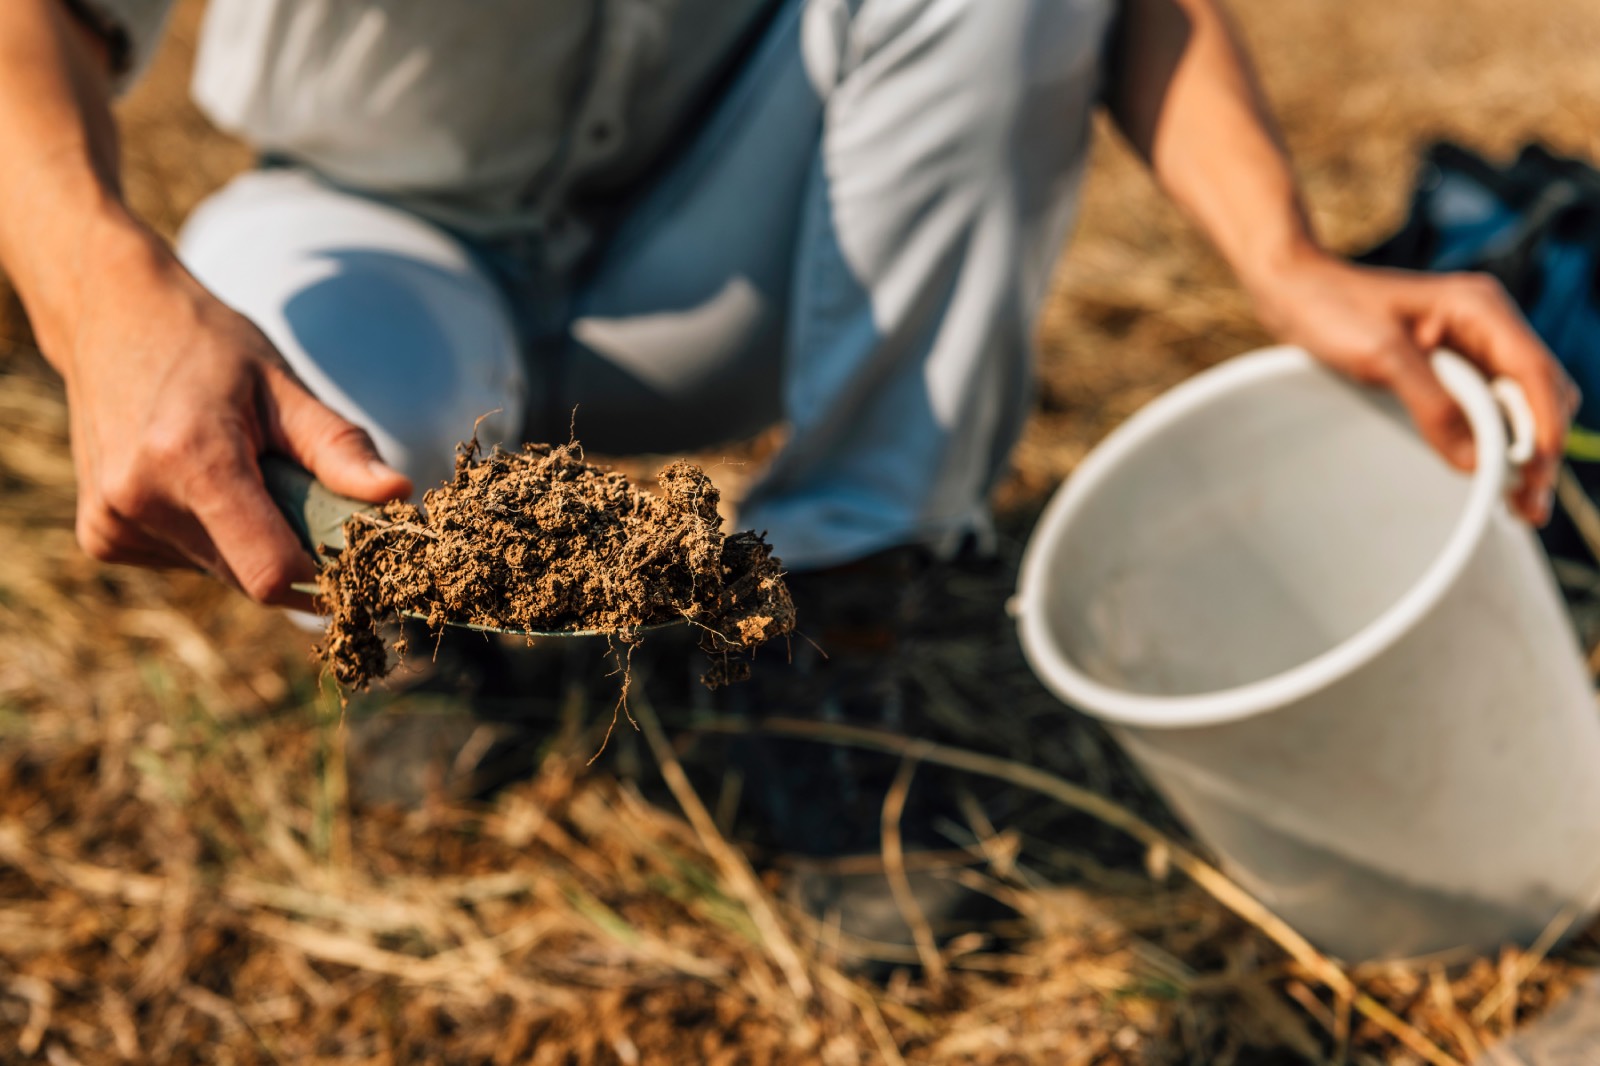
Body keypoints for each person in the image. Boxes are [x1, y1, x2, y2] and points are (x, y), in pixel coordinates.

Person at [0, 0, 1579, 939]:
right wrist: (99, 292)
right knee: (336, 444)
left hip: (716, 263)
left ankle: (829, 617)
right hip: (377, 232)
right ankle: (436, 639)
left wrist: (1286, 256)